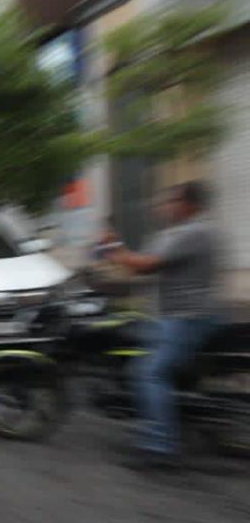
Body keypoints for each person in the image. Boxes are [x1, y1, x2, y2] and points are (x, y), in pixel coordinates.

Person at [101, 181, 222, 467]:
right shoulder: (173, 234)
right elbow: (140, 265)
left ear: (190, 205)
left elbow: (145, 264)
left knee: (149, 374)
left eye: (174, 200)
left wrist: (114, 246)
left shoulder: (195, 232)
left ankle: (159, 447)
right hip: (170, 316)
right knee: (131, 351)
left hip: (187, 317)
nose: (166, 205)